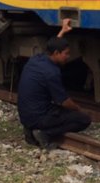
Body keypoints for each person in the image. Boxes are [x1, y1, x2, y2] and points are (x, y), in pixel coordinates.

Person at [17, 19, 91, 149]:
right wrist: (79, 109)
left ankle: (29, 130)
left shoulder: (36, 59)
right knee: (83, 120)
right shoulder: (51, 73)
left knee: (51, 108)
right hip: (38, 117)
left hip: (25, 115)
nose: (68, 57)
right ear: (56, 53)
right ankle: (45, 133)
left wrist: (62, 31)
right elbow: (64, 102)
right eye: (66, 54)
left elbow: (52, 46)